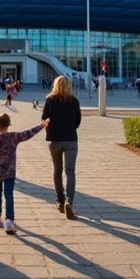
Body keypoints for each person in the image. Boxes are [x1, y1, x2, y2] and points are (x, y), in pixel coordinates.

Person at [0, 112, 47, 234]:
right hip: (9, 171)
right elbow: (28, 133)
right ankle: (9, 220)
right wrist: (41, 126)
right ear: (9, 124)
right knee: (9, 195)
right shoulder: (13, 137)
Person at [42, 75, 82, 220]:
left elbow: (44, 118)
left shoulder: (50, 100)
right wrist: (70, 128)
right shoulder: (75, 101)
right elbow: (78, 121)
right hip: (71, 139)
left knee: (57, 170)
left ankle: (59, 201)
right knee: (70, 171)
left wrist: (50, 129)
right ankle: (69, 201)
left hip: (55, 140)